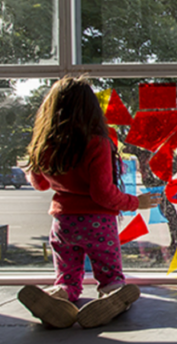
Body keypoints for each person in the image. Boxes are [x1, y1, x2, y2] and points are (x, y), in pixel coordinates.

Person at [19, 76, 160, 329]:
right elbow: (103, 194)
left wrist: (33, 160)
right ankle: (111, 297)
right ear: (91, 108)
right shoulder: (96, 142)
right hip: (98, 223)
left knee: (67, 278)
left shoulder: (46, 144)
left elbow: (40, 184)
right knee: (111, 276)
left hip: (63, 223)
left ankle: (59, 297)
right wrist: (135, 202)